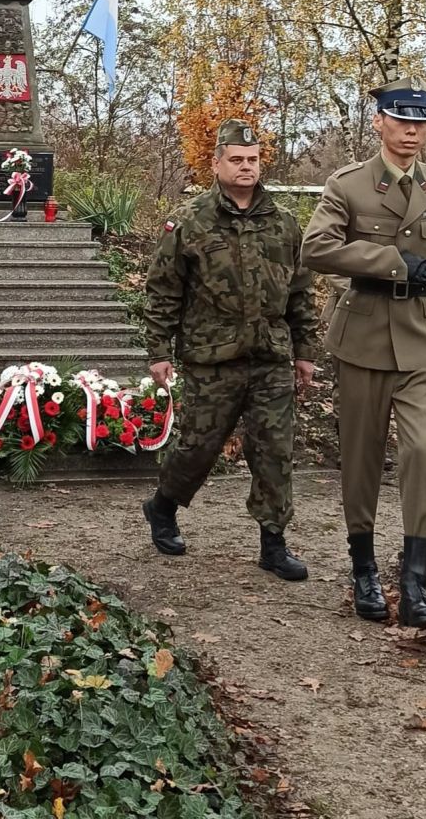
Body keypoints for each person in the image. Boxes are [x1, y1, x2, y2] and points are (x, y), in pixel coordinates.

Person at [301, 76, 426, 628]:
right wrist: (392, 263)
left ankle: (414, 581)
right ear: (379, 121)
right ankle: (363, 570)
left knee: (421, 451)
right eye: (401, 120)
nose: (411, 132)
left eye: (420, 122)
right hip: (362, 339)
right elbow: (317, 248)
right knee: (360, 460)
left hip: (422, 340)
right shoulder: (349, 185)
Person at [142, 119, 318, 580]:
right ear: (217, 163)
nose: (246, 167)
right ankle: (162, 507)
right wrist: (159, 351)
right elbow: (163, 291)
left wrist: (305, 351)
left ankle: (274, 543)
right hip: (211, 358)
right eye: (236, 160)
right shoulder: (190, 221)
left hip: (270, 359)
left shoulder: (282, 223)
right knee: (198, 448)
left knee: (274, 451)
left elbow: (299, 292)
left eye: (253, 160)